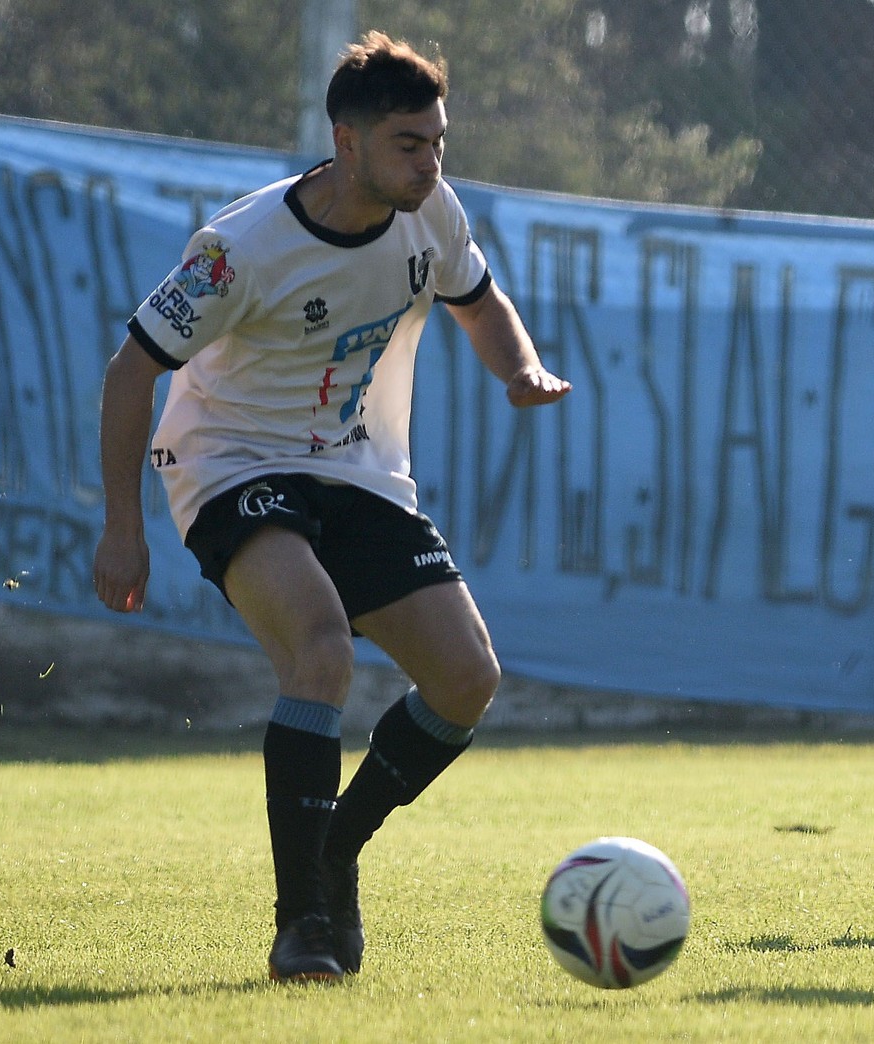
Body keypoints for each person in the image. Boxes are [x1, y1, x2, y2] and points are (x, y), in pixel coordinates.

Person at [92, 31, 571, 983]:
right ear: (347, 142)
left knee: (466, 679)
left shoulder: (429, 212)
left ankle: (336, 849)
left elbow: (479, 302)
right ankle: (301, 923)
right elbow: (132, 368)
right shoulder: (243, 248)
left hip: (352, 469)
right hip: (228, 464)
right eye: (408, 143)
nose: (430, 162)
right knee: (319, 649)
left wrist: (521, 370)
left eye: (437, 141)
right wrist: (122, 527)